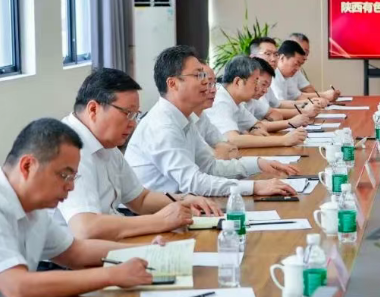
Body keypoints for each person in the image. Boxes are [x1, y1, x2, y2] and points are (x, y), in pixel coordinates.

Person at [0, 119, 156, 297]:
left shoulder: (35, 209)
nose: (71, 187)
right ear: (27, 166)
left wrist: (147, 252)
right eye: (64, 175)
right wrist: (111, 275)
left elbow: (75, 252)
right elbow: (17, 288)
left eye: (74, 177)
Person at [57, 69, 222, 241]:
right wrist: (159, 221)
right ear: (93, 109)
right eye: (127, 113)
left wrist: (184, 200)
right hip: (80, 254)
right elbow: (86, 228)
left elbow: (140, 199)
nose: (132, 124)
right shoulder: (70, 148)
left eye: (135, 115)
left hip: (111, 241)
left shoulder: (106, 142)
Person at [124, 46, 299, 197]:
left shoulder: (185, 117)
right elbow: (193, 182)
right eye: (198, 75)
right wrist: (255, 187)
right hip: (154, 214)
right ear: (173, 83)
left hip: (182, 204)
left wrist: (259, 163)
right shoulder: (163, 126)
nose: (206, 83)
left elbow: (210, 167)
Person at [205, 56, 307, 148]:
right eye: (255, 81)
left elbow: (257, 124)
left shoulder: (236, 102)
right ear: (238, 82)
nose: (257, 87)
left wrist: (254, 129)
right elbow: (233, 140)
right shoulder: (220, 101)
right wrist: (284, 140)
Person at [194, 63, 239, 160]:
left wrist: (221, 152)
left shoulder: (201, 115)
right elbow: (210, 159)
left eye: (214, 84)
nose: (214, 90)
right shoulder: (180, 120)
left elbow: (231, 147)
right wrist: (218, 153)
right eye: (207, 84)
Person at [289, 33, 342, 100]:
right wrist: (325, 95)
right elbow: (295, 96)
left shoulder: (296, 69)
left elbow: (308, 89)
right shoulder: (279, 71)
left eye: (306, 53)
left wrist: (327, 96)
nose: (305, 57)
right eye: (302, 52)